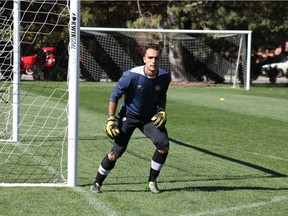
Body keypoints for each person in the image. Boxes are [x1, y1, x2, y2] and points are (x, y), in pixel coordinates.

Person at [91, 43, 171, 194]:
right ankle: (97, 183)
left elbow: (162, 96)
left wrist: (161, 111)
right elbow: (115, 96)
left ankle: (151, 182)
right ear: (144, 59)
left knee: (163, 145)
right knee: (116, 153)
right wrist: (111, 119)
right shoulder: (131, 75)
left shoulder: (164, 77)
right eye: (150, 58)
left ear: (160, 59)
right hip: (129, 116)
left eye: (156, 58)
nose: (153, 61)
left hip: (149, 118)